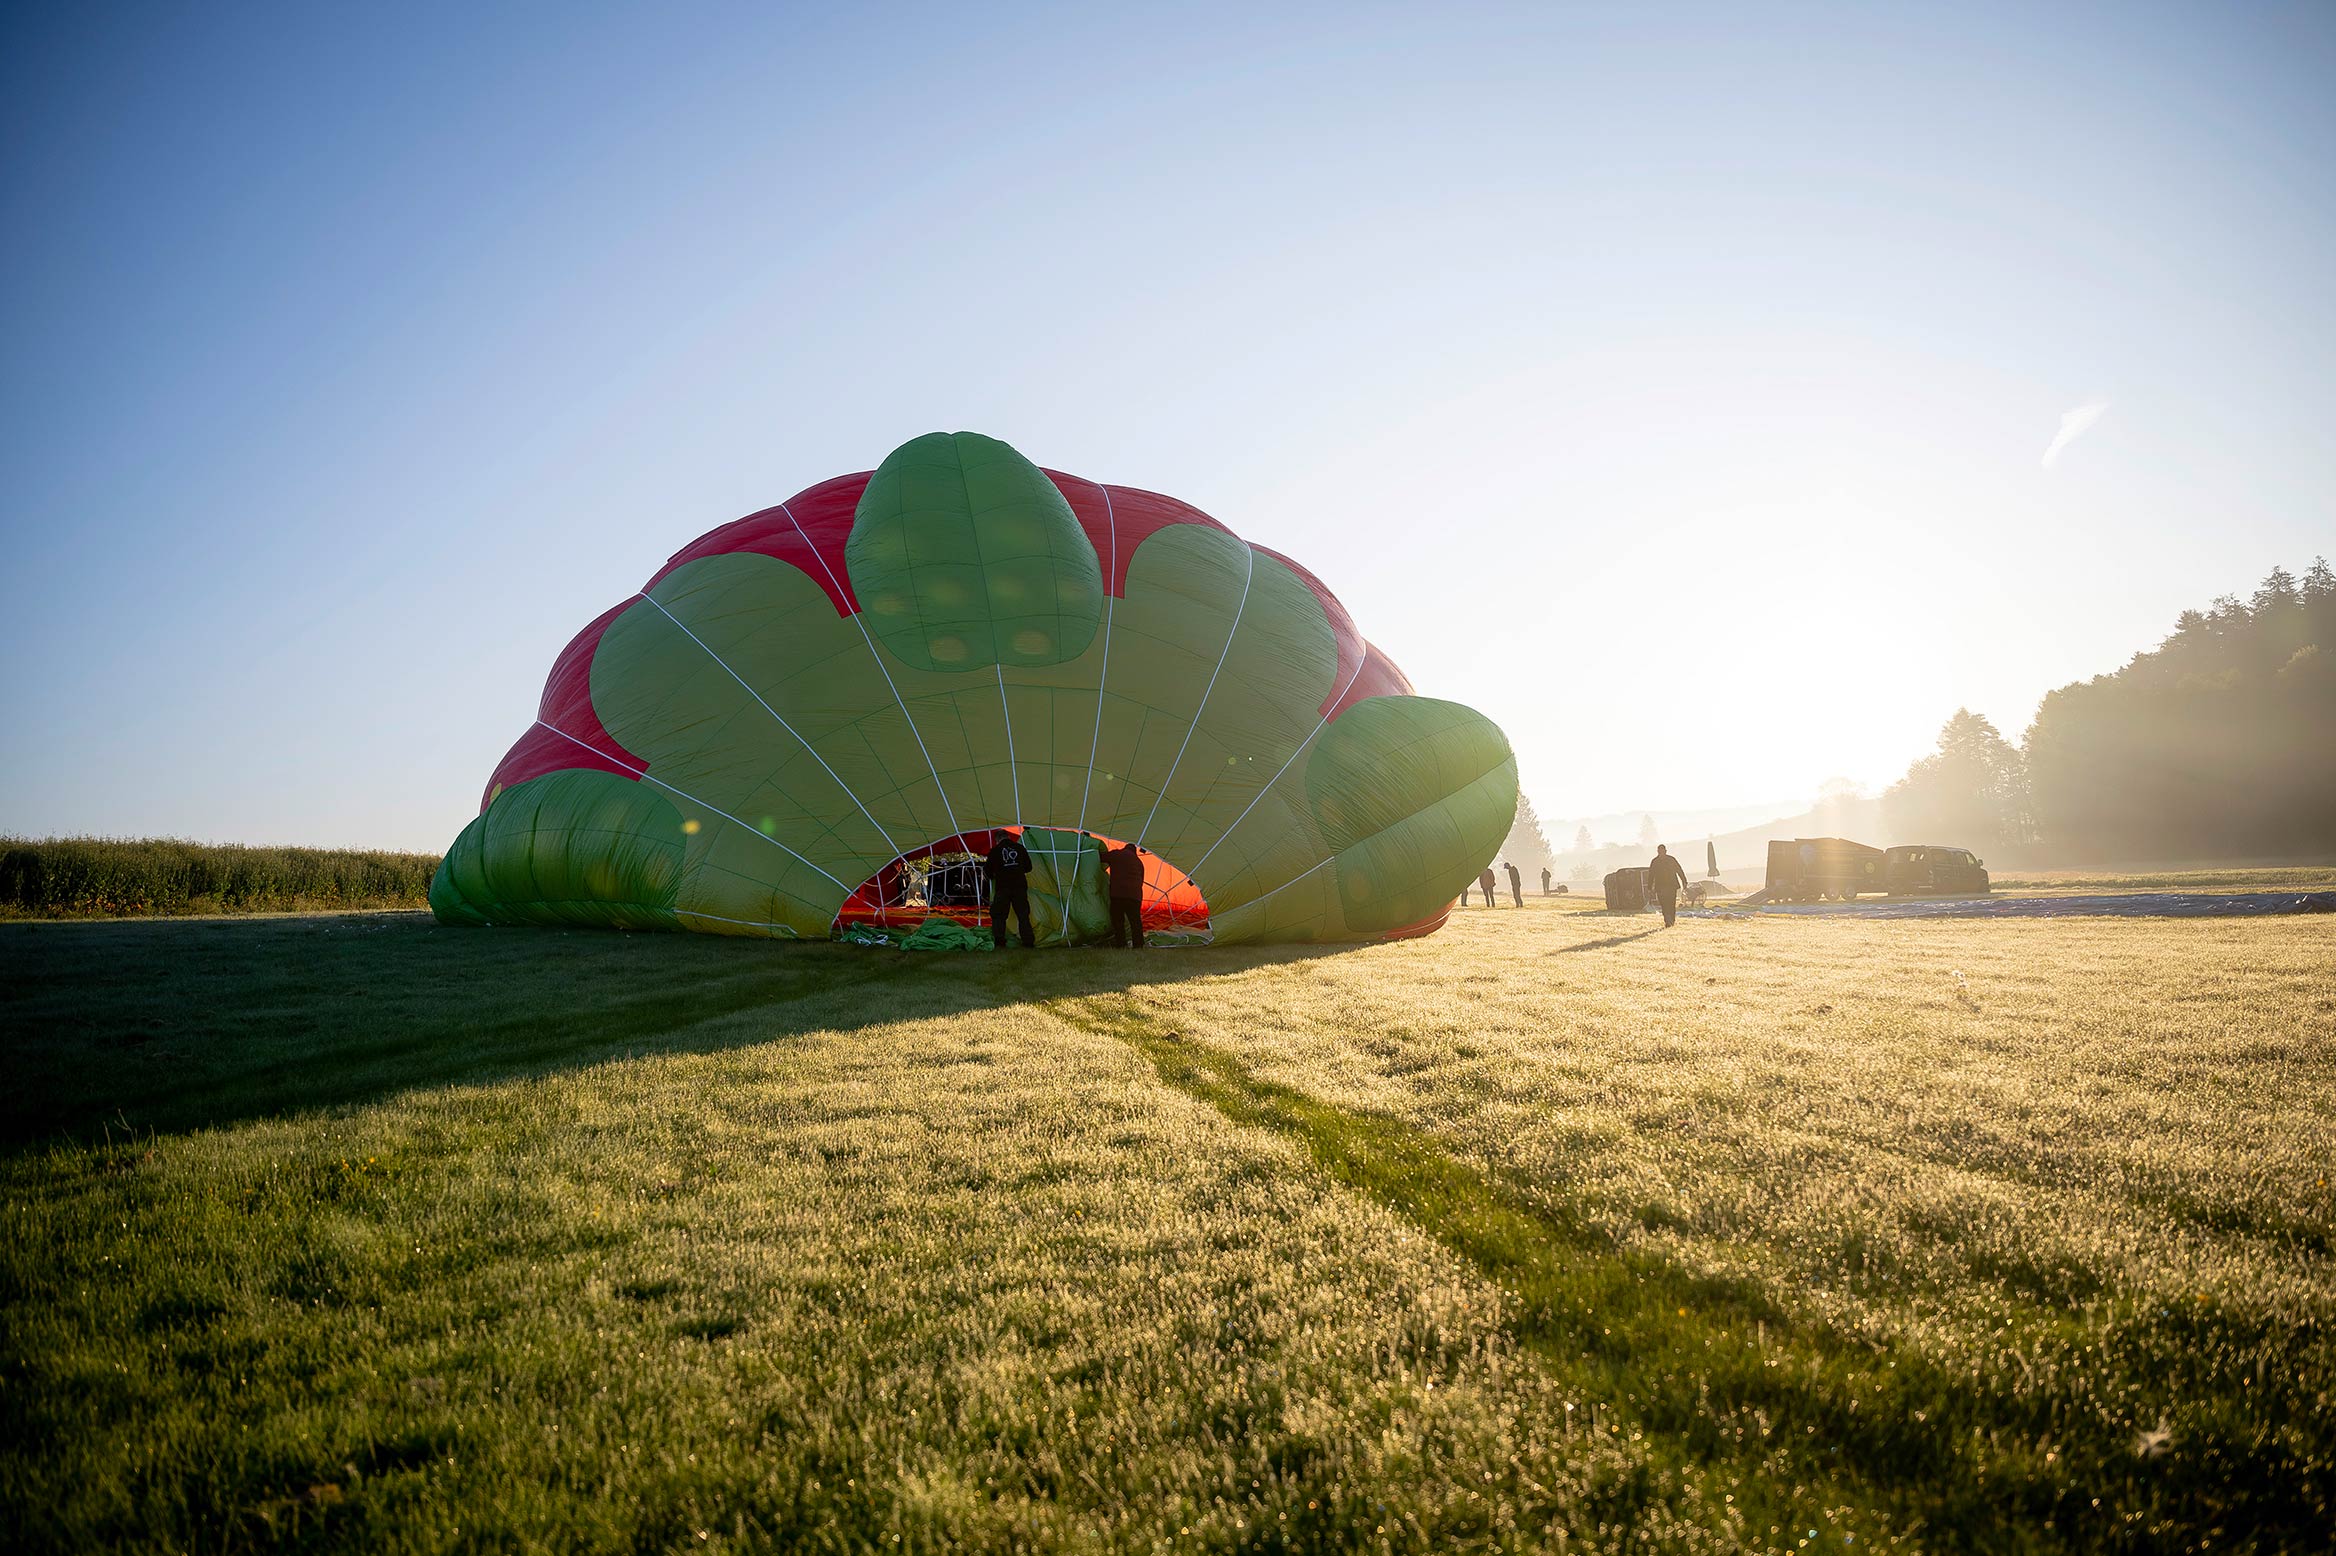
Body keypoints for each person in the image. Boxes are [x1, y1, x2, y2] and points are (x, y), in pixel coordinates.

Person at [985, 828, 1036, 948]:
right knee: (1023, 914)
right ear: (1008, 836)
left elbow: (987, 871)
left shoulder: (995, 851)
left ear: (997, 839)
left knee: (999, 915)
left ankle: (999, 941)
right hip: (1019, 886)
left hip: (1003, 887)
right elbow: (1029, 867)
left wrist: (995, 874)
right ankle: (1028, 941)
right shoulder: (1020, 848)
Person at [1105, 840, 1146, 949]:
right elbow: (1141, 881)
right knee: (1135, 921)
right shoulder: (1139, 862)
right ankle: (1138, 945)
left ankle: (1120, 944)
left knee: (1118, 921)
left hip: (1117, 894)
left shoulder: (1117, 854)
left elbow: (1101, 856)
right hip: (1134, 896)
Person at [1646, 842, 1688, 928]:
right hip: (1661, 887)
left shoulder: (1670, 860)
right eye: (1660, 851)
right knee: (1664, 904)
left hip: (1671, 886)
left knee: (1670, 904)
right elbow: (1651, 875)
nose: (1661, 853)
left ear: (1665, 851)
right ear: (1658, 852)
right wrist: (1649, 887)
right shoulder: (1655, 861)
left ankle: (1671, 920)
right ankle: (1668, 920)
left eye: (1662, 851)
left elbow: (1679, 870)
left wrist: (1684, 880)